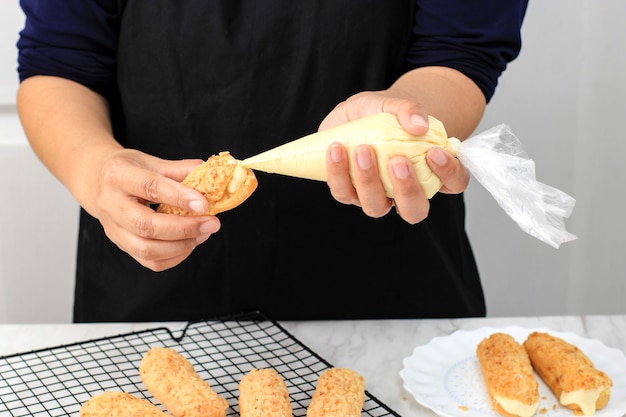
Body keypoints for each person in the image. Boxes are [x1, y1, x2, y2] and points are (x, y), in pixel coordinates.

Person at [17, 1, 528, 322]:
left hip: (385, 286)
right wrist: (95, 168)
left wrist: (404, 124)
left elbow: (460, 52)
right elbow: (58, 62)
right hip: (147, 288)